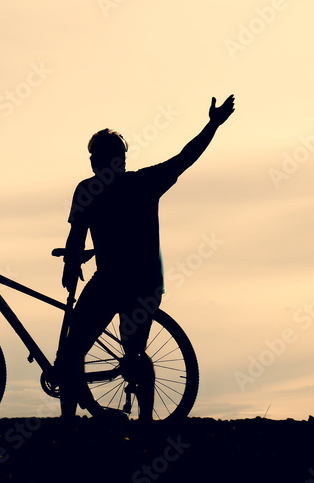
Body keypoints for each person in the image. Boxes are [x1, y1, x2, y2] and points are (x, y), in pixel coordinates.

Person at [56, 95, 235, 419]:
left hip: (112, 281)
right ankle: (145, 422)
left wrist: (70, 266)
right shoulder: (142, 182)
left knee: (74, 351)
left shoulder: (89, 189)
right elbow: (185, 157)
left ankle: (70, 420)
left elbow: (76, 235)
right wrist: (213, 124)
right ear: (120, 159)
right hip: (143, 282)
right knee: (134, 353)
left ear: (96, 161)